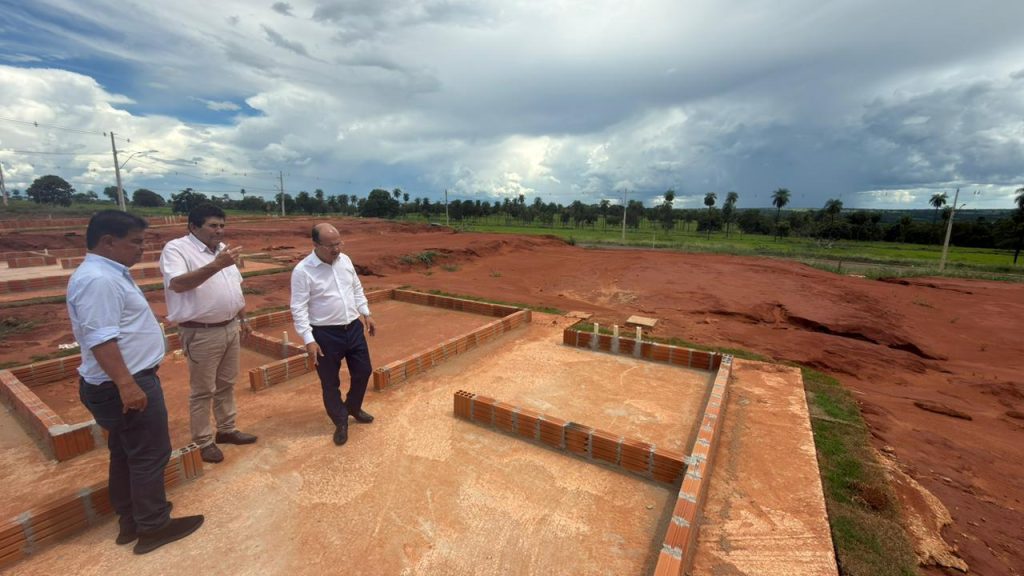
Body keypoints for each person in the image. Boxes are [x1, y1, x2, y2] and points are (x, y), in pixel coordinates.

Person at [68, 210, 203, 555]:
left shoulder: (106, 273)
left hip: (120, 382)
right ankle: (154, 525)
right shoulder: (99, 279)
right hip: (125, 384)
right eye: (136, 242)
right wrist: (127, 385)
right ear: (108, 241)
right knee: (149, 454)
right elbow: (101, 339)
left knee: (125, 453)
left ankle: (130, 521)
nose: (143, 249)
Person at [160, 203, 258, 464]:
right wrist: (216, 265)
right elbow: (178, 284)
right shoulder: (177, 249)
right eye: (213, 226)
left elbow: (235, 287)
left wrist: (243, 317)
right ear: (193, 227)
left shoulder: (223, 251)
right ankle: (203, 441)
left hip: (229, 327)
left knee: (226, 383)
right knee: (203, 390)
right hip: (200, 332)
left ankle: (226, 429)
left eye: (222, 225)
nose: (219, 231)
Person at [290, 223, 377, 446]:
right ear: (316, 245)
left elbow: (356, 288)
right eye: (331, 245)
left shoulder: (345, 261)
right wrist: (309, 339)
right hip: (325, 335)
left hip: (353, 327)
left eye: (339, 243)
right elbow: (298, 308)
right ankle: (340, 421)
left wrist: (366, 313)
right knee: (330, 382)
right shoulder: (303, 271)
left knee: (364, 370)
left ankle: (353, 407)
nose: (337, 249)